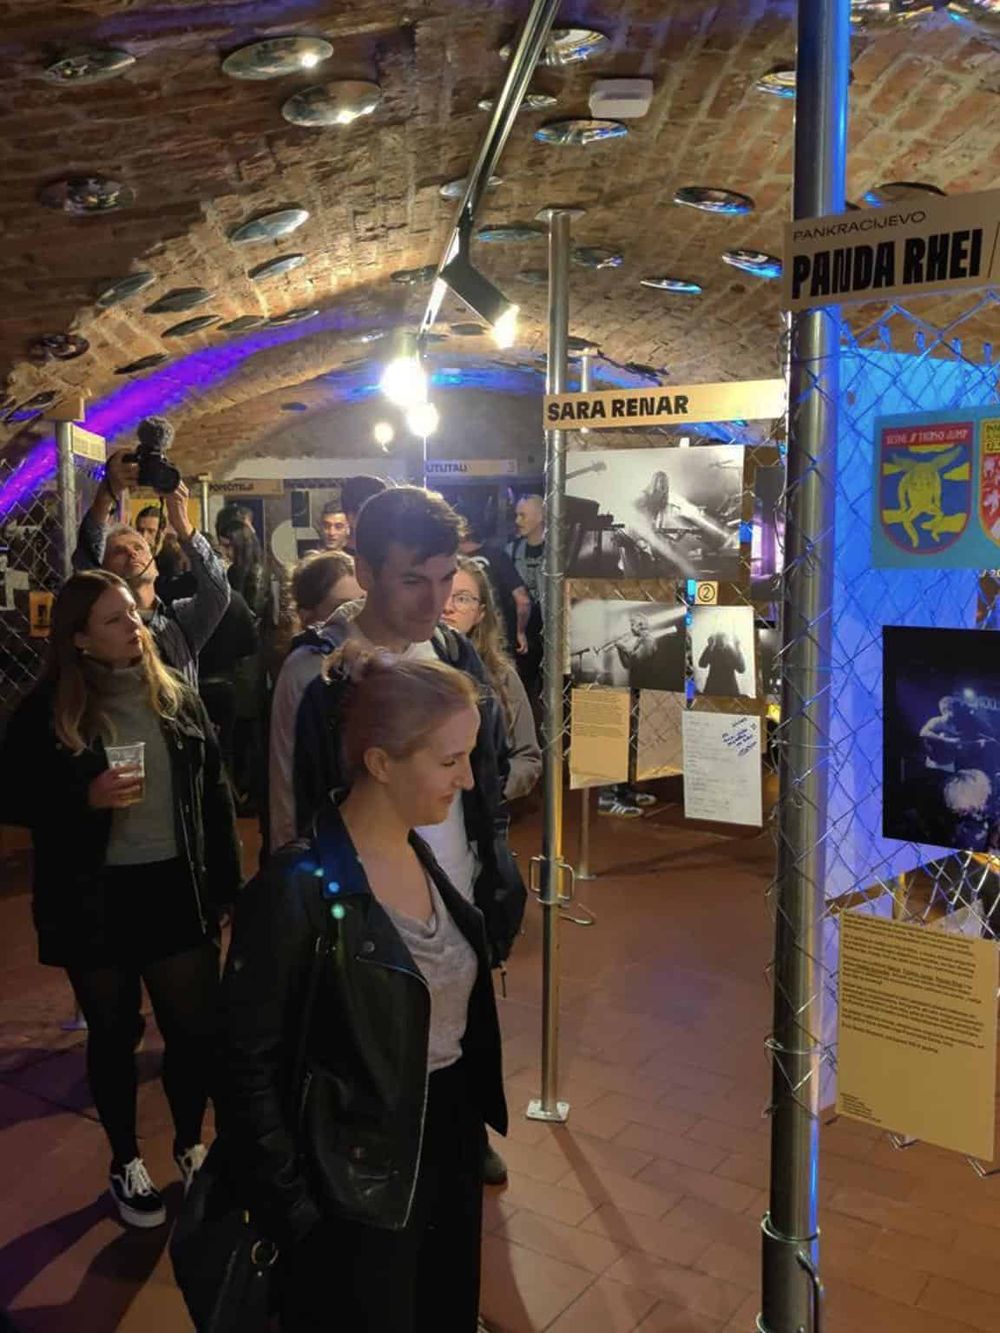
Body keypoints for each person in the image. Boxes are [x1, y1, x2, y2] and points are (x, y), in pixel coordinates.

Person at [218, 653, 506, 1332]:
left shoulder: (418, 850)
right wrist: (295, 1207)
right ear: (380, 762)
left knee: (441, 1304)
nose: (467, 778)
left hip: (444, 1140)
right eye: (449, 760)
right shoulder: (298, 888)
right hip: (353, 1175)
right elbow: (244, 1065)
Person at [287, 487, 523, 1186]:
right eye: (412, 578)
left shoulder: (452, 648)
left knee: (455, 1014)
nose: (434, 598)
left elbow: (489, 764)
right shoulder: (316, 672)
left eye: (447, 577)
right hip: (362, 897)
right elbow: (290, 806)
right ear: (364, 569)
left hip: (452, 880)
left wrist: (495, 861)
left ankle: (462, 1125)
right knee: (377, 1050)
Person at [0, 570, 241, 1228]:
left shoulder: (175, 699)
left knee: (194, 1030)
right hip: (96, 895)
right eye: (114, 620)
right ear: (78, 638)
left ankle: (192, 1143)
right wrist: (84, 797)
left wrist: (226, 885)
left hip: (173, 884)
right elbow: (13, 795)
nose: (134, 627)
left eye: (133, 613)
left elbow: (215, 795)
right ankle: (125, 1159)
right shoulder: (48, 709)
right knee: (113, 1033)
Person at [73, 439, 230, 688]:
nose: (132, 554)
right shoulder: (99, 623)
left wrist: (182, 522)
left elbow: (218, 592)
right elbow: (86, 558)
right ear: (103, 570)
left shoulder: (179, 620)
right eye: (119, 552)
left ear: (155, 566)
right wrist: (107, 494)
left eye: (138, 548)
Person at [267, 551, 363, 849]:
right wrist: (289, 852)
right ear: (308, 614)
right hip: (322, 840)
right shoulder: (307, 669)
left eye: (362, 601)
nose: (354, 616)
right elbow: (287, 774)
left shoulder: (368, 662)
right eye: (341, 608)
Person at [442, 557, 541, 801]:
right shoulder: (407, 667)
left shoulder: (500, 675)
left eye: (463, 598)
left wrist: (494, 787)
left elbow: (528, 757)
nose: (448, 607)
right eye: (442, 594)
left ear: (480, 613)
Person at [459, 518, 531, 657]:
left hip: (459, 637)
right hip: (496, 637)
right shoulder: (497, 556)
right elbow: (523, 600)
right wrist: (520, 632)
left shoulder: (447, 560)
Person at [506, 494, 546, 708]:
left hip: (551, 630)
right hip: (524, 632)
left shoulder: (557, 552)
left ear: (540, 517)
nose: (517, 521)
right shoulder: (510, 550)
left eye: (523, 515)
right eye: (516, 515)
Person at [340, 474, 388, 556]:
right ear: (352, 518)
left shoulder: (391, 560)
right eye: (377, 514)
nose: (386, 521)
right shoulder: (336, 566)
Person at [698, 631, 747, 696]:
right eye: (719, 639)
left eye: (723, 639)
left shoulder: (731, 651)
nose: (721, 642)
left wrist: (737, 648)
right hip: (714, 689)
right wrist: (709, 646)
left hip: (729, 690)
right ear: (716, 641)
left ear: (727, 640)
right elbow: (702, 664)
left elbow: (741, 669)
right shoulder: (712, 650)